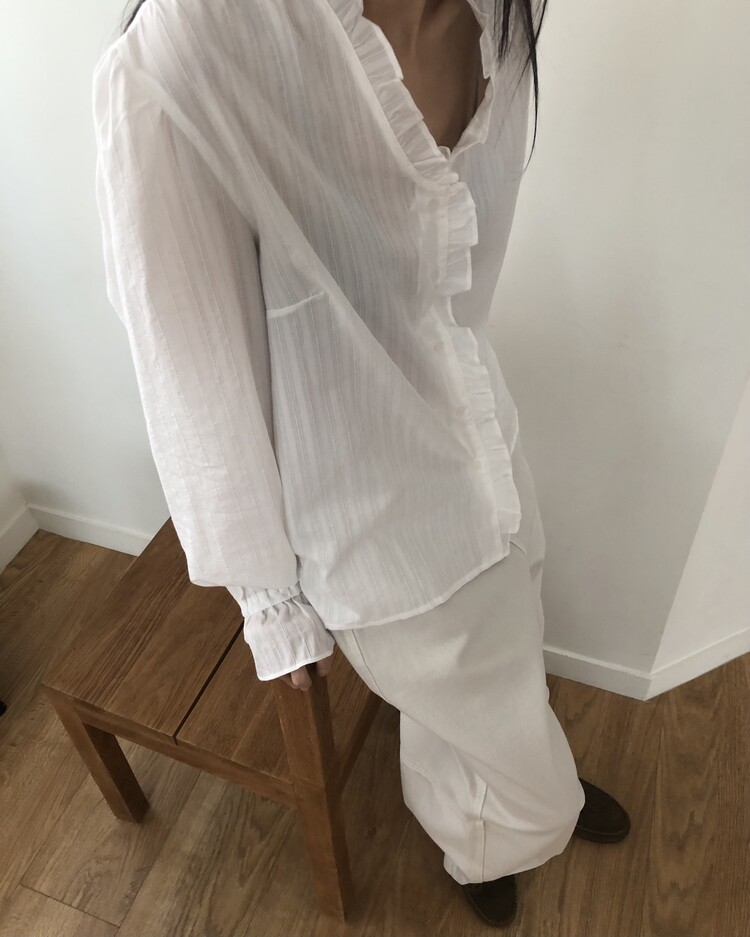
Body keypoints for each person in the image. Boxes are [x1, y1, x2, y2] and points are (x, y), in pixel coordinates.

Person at [93, 0, 630, 926]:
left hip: (479, 424)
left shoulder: (504, 12)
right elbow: (190, 361)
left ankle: (495, 786)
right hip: (369, 512)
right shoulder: (194, 47)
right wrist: (268, 597)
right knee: (490, 718)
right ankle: (504, 828)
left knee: (509, 646)